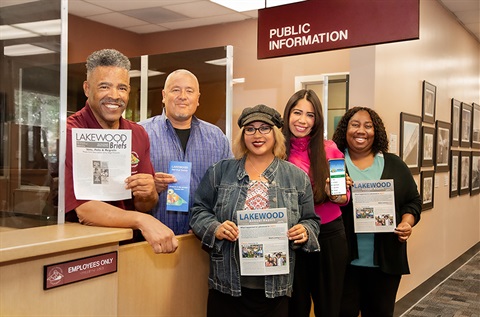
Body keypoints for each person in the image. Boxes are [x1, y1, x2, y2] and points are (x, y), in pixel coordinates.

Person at [189, 104, 321, 317]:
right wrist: (215, 227)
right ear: (242, 135)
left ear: (276, 134)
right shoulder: (220, 171)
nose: (257, 135)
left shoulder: (296, 177)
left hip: (274, 289)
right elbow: (198, 211)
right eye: (250, 129)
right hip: (227, 285)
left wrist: (305, 231)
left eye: (264, 128)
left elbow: (311, 220)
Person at [65, 48, 178, 254]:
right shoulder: (71, 132)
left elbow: (145, 204)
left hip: (128, 247)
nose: (114, 96)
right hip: (82, 249)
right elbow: (84, 209)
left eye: (122, 88)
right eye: (104, 86)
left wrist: (149, 192)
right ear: (87, 88)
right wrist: (142, 220)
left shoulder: (138, 133)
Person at [332, 106, 422, 317]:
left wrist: (407, 223)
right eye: (354, 125)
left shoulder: (394, 164)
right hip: (344, 264)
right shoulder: (334, 165)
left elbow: (413, 201)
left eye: (367, 126)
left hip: (385, 264)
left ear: (376, 131)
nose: (361, 130)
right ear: (345, 130)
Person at [139, 69, 232, 235]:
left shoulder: (216, 137)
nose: (183, 96)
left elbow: (229, 189)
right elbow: (123, 187)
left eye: (189, 91)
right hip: (151, 240)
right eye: (175, 90)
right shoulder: (140, 133)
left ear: (197, 99)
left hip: (200, 241)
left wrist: (208, 225)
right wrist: (149, 186)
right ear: (163, 95)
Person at [282, 89, 350, 317]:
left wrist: (335, 194)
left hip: (328, 236)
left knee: (328, 307)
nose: (302, 120)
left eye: (310, 115)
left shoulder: (329, 149)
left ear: (317, 119)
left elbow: (343, 199)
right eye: (297, 112)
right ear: (287, 115)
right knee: (294, 307)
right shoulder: (277, 151)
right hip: (292, 237)